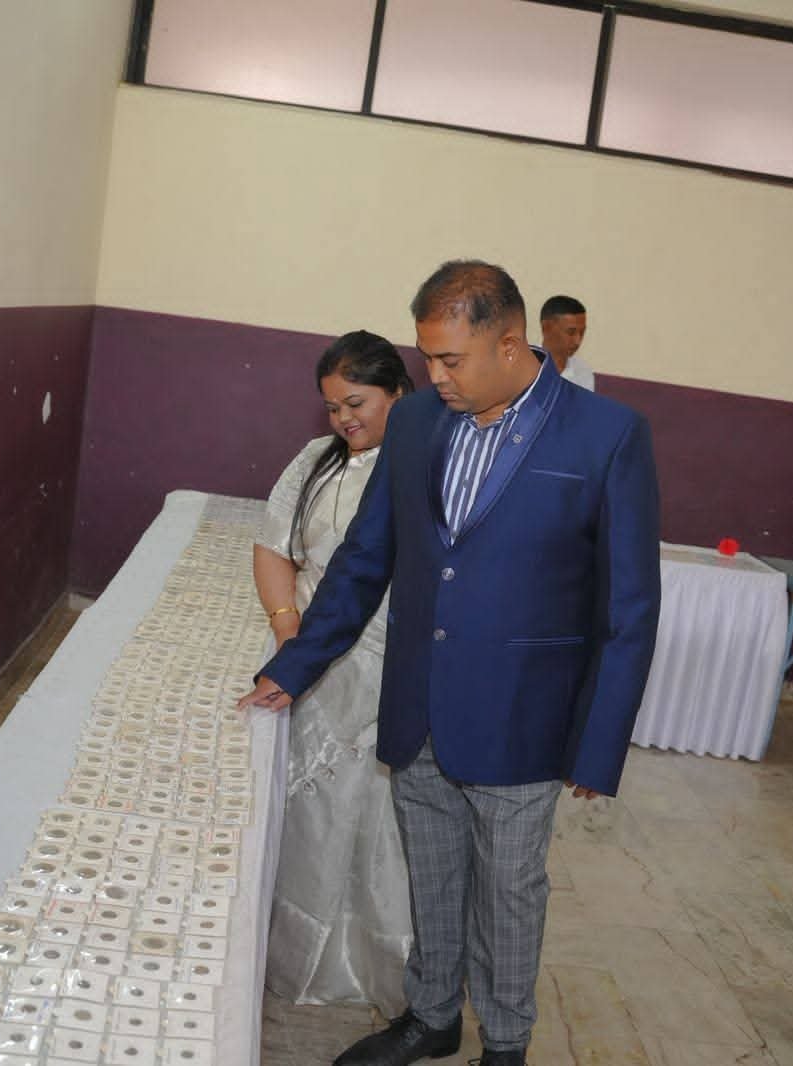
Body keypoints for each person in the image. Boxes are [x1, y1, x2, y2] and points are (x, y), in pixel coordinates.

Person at [240, 261, 661, 1066]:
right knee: (429, 869)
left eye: (449, 359)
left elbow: (630, 604)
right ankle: (432, 1016)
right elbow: (366, 557)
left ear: (510, 343)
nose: (433, 376)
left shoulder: (607, 435)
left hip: (524, 715)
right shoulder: (418, 422)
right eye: (427, 357)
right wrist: (294, 665)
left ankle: (505, 1045)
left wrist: (600, 740)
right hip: (419, 702)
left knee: (509, 890)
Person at [253, 330, 416, 1014]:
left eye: (357, 403)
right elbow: (273, 546)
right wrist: (289, 629)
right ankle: (287, 949)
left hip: (380, 654)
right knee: (305, 807)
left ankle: (369, 959)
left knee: (367, 810)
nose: (343, 419)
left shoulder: (420, 467)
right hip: (311, 645)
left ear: (398, 394)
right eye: (332, 407)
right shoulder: (315, 460)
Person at [538, 294, 593, 392]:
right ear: (546, 328)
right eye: (571, 332)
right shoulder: (522, 366)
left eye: (582, 332)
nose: (577, 341)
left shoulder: (583, 373)